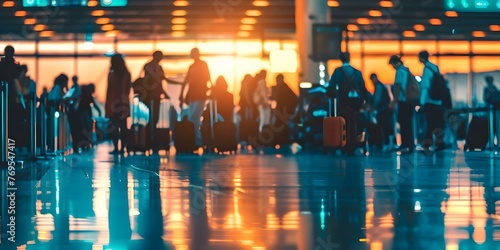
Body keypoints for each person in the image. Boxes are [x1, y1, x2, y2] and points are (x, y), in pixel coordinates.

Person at [327, 52, 369, 155]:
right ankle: (354, 144)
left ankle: (344, 146)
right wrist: (365, 101)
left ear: (340, 59)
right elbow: (363, 89)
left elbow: (331, 87)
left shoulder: (338, 72)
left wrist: (332, 95)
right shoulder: (357, 72)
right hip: (355, 104)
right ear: (349, 58)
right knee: (355, 123)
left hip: (343, 103)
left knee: (343, 124)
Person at [180, 48, 212, 146]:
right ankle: (195, 138)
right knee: (192, 118)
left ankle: (197, 138)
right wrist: (181, 95)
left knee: (195, 117)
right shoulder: (192, 66)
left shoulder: (202, 65)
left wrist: (211, 90)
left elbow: (208, 78)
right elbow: (186, 81)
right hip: (192, 96)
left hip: (200, 95)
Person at [419, 50, 445, 152]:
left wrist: (422, 102)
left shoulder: (426, 70)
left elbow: (425, 87)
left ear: (421, 58)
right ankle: (440, 143)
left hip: (430, 101)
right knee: (438, 123)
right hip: (438, 101)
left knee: (430, 123)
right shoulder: (435, 68)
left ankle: (427, 144)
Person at [105, 54, 131, 154]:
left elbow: (109, 90)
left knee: (114, 128)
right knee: (123, 126)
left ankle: (116, 148)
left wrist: (107, 105)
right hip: (123, 104)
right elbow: (128, 89)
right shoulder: (127, 74)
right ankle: (123, 148)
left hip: (113, 104)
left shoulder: (111, 74)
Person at [388, 55, 414, 153]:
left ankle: (405, 144)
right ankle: (410, 145)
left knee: (403, 123)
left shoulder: (399, 71)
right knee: (408, 123)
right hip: (409, 100)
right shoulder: (406, 70)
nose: (392, 67)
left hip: (403, 101)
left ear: (394, 62)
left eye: (392, 65)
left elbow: (398, 87)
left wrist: (394, 102)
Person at [370, 73, 394, 151]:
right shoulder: (381, 86)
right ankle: (388, 143)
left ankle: (385, 143)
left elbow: (377, 99)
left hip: (383, 110)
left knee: (383, 127)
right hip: (385, 109)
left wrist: (373, 107)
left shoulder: (379, 86)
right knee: (386, 126)